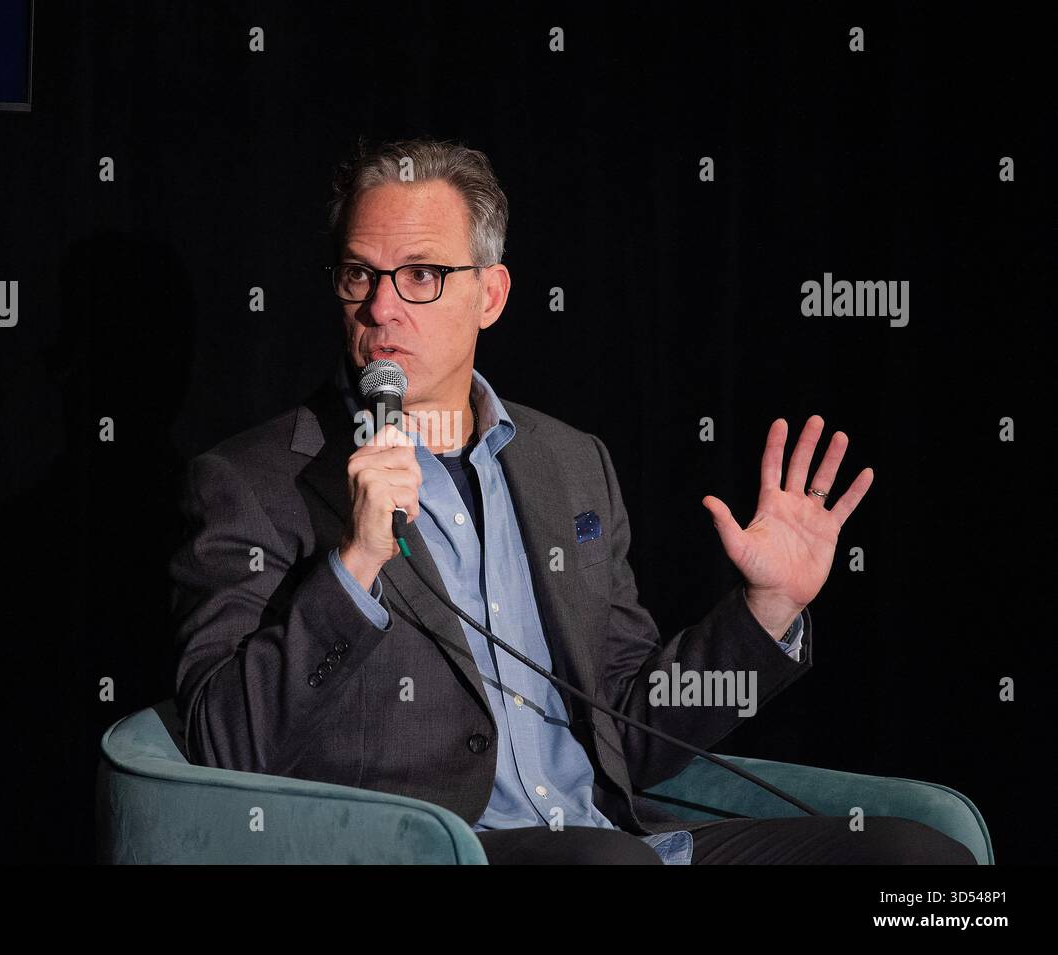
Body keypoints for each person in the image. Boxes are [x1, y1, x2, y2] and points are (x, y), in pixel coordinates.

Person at [169, 136, 975, 864]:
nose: (382, 308)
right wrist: (355, 567)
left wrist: (765, 610)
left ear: (490, 295)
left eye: (420, 275)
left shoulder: (568, 462)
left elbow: (629, 727)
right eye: (359, 274)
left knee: (919, 862)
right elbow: (220, 745)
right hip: (449, 851)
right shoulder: (254, 480)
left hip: (620, 840)